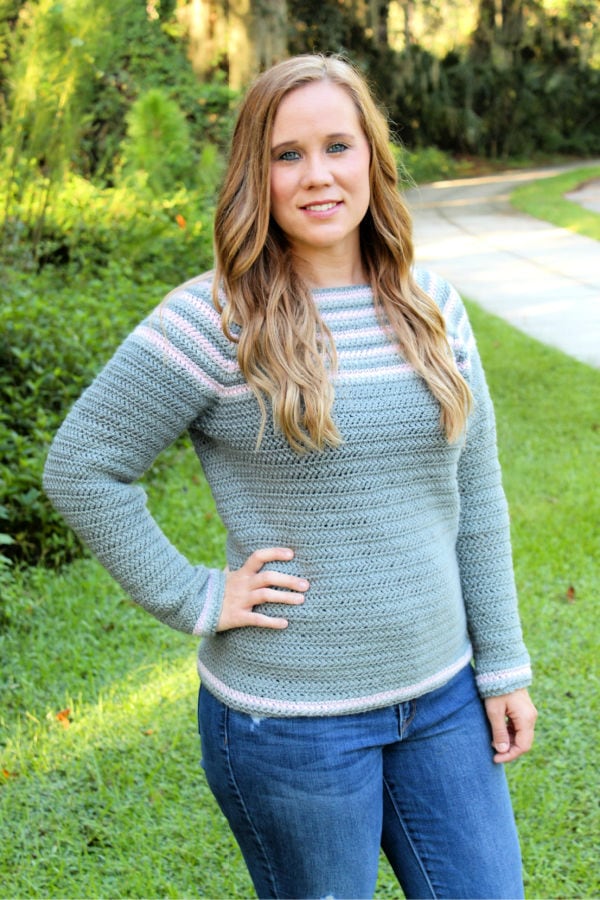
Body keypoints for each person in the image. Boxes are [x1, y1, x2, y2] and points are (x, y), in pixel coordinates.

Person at [43, 54, 537, 900]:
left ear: (373, 161)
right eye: (287, 154)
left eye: (338, 146)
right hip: (294, 724)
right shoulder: (214, 319)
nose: (318, 175)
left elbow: (477, 499)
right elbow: (83, 466)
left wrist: (503, 666)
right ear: (255, 175)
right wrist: (196, 596)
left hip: (443, 699)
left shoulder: (432, 305)